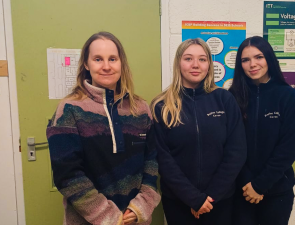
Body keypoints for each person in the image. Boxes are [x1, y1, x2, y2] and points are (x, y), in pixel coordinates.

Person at [46, 31, 160, 225]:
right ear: (86, 64)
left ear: (121, 64)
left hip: (135, 219)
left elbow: (153, 162)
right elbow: (67, 175)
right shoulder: (69, 109)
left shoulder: (140, 108)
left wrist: (142, 206)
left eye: (113, 59)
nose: (106, 66)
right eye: (98, 59)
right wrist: (109, 217)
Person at [150, 38, 247, 225]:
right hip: (179, 202)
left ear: (209, 64)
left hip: (219, 201)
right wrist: (193, 198)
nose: (195, 65)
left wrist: (210, 197)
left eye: (202, 59)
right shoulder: (161, 105)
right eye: (188, 59)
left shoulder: (224, 100)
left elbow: (237, 151)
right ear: (178, 62)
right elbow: (162, 158)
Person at [229, 36, 295, 225]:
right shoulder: (232, 96)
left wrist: (260, 185)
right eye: (245, 60)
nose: (252, 64)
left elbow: (288, 148)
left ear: (269, 58)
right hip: (241, 190)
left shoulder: (288, 96)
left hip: (277, 191)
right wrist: (248, 184)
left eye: (258, 57)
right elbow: (230, 145)